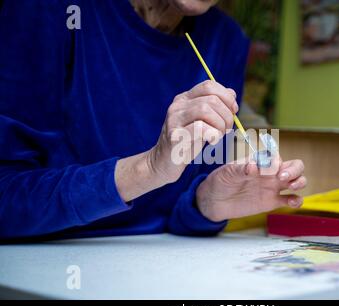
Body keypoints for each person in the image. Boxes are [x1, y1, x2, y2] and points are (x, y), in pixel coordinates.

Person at [0, 0, 306, 240]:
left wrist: (207, 203)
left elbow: (177, 214)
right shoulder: (54, 9)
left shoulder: (226, 40)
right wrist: (148, 168)